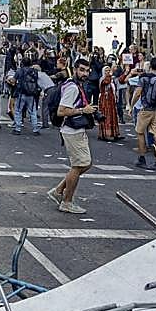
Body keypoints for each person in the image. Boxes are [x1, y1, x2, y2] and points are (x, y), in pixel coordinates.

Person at [48, 58, 96, 215]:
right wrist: (84, 111)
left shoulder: (75, 85)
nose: (85, 73)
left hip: (75, 130)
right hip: (71, 130)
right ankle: (66, 202)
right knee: (79, 166)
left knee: (84, 164)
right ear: (75, 69)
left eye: (87, 70)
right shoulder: (72, 88)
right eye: (81, 70)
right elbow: (61, 111)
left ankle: (59, 190)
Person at [134, 57, 156, 172]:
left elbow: (138, 92)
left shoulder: (144, 78)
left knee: (140, 132)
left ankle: (142, 158)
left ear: (150, 66)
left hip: (146, 109)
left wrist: (131, 104)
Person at [11, 56, 41, 135]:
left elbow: (13, 80)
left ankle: (18, 128)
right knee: (33, 111)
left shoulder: (19, 71)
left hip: (21, 93)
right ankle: (35, 129)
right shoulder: (34, 71)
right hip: (31, 94)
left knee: (18, 110)